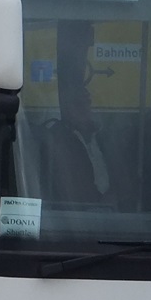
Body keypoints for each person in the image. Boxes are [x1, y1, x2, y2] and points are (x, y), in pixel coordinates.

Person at [42, 23, 118, 205]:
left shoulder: (103, 139)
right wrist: (99, 201)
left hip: (116, 212)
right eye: (78, 104)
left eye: (87, 103)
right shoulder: (57, 140)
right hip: (80, 214)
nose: (85, 109)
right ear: (66, 108)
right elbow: (70, 186)